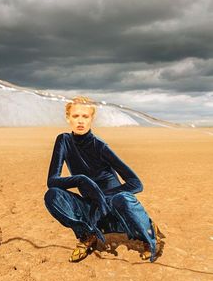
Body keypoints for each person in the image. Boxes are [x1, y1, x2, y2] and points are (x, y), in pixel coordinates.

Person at [44, 96, 165, 263]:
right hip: (92, 209)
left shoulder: (100, 146)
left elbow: (136, 183)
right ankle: (87, 235)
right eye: (75, 116)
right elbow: (52, 181)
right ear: (68, 118)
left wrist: (104, 197)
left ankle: (150, 232)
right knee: (52, 195)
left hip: (114, 209)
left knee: (122, 198)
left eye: (85, 116)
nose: (80, 121)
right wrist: (81, 180)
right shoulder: (64, 141)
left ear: (92, 119)